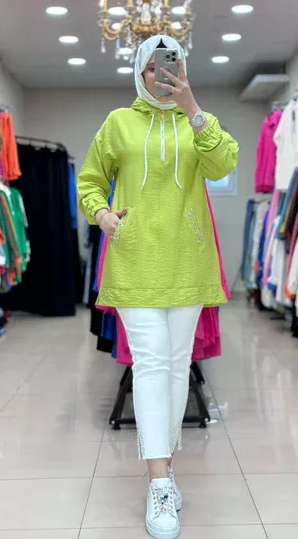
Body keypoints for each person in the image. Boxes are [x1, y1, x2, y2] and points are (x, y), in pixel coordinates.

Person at [77, 35, 238, 539]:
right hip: (134, 259)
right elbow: (89, 180)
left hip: (187, 262)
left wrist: (193, 109)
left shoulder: (198, 122)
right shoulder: (118, 123)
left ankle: (164, 467)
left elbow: (224, 163)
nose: (164, 75)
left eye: (173, 66)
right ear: (140, 73)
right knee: (150, 363)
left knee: (176, 365)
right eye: (154, 67)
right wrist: (101, 214)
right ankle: (160, 482)